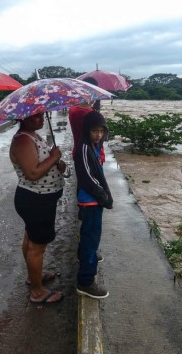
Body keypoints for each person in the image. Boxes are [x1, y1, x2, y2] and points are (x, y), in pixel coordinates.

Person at [9, 112, 67, 304]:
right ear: (22, 117)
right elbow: (33, 173)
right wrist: (53, 157)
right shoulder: (23, 140)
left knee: (31, 239)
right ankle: (37, 292)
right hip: (36, 201)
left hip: (40, 199)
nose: (41, 120)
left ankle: (33, 277)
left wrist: (57, 164)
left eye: (43, 116)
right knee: (37, 248)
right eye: (36, 117)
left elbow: (43, 163)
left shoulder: (34, 135)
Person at [74, 111, 113, 299]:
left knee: (89, 232)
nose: (98, 135)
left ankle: (84, 254)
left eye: (101, 131)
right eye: (94, 131)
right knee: (92, 236)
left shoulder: (93, 145)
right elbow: (87, 177)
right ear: (86, 130)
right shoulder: (83, 147)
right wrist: (103, 195)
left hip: (94, 198)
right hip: (90, 199)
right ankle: (86, 281)